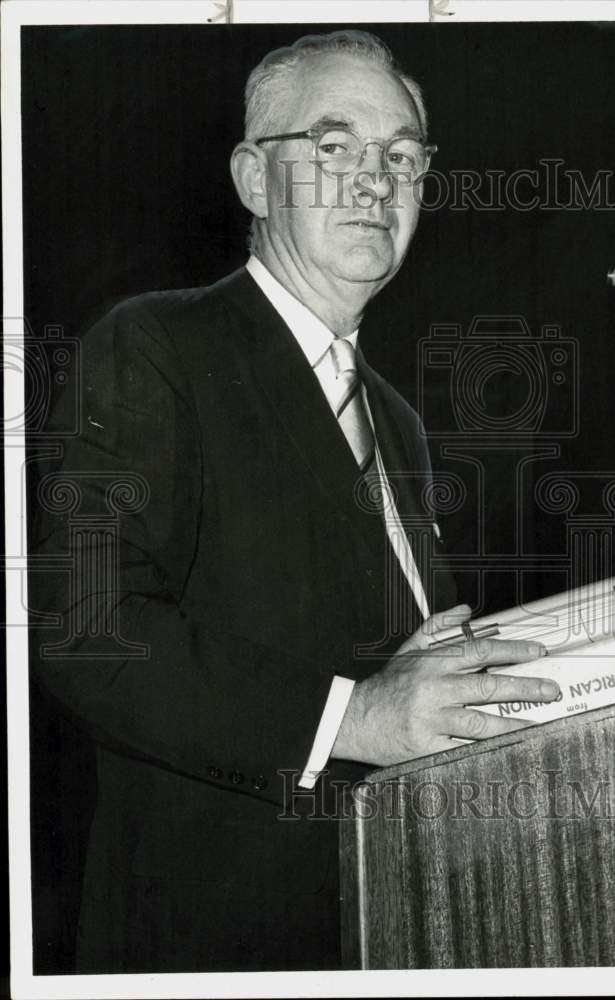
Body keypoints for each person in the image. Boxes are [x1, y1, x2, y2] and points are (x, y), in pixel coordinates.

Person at [29, 30, 559, 973]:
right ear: (252, 179)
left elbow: (399, 664)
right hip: (211, 937)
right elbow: (85, 628)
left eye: (403, 156)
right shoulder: (155, 345)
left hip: (390, 912)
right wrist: (355, 719)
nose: (375, 181)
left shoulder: (395, 419)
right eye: (334, 146)